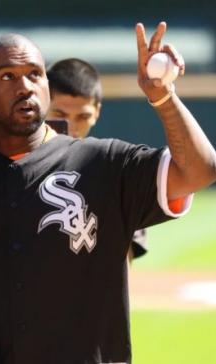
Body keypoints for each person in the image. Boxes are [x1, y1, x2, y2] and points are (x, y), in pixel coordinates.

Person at [0, 22, 216, 364]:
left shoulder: (105, 163)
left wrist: (163, 95)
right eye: (8, 76)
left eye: (34, 74)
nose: (24, 86)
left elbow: (199, 171)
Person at [46, 58, 148, 260]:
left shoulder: (114, 171)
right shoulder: (15, 162)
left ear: (97, 112)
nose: (72, 127)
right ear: (42, 105)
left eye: (82, 116)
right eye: (60, 114)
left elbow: (122, 263)